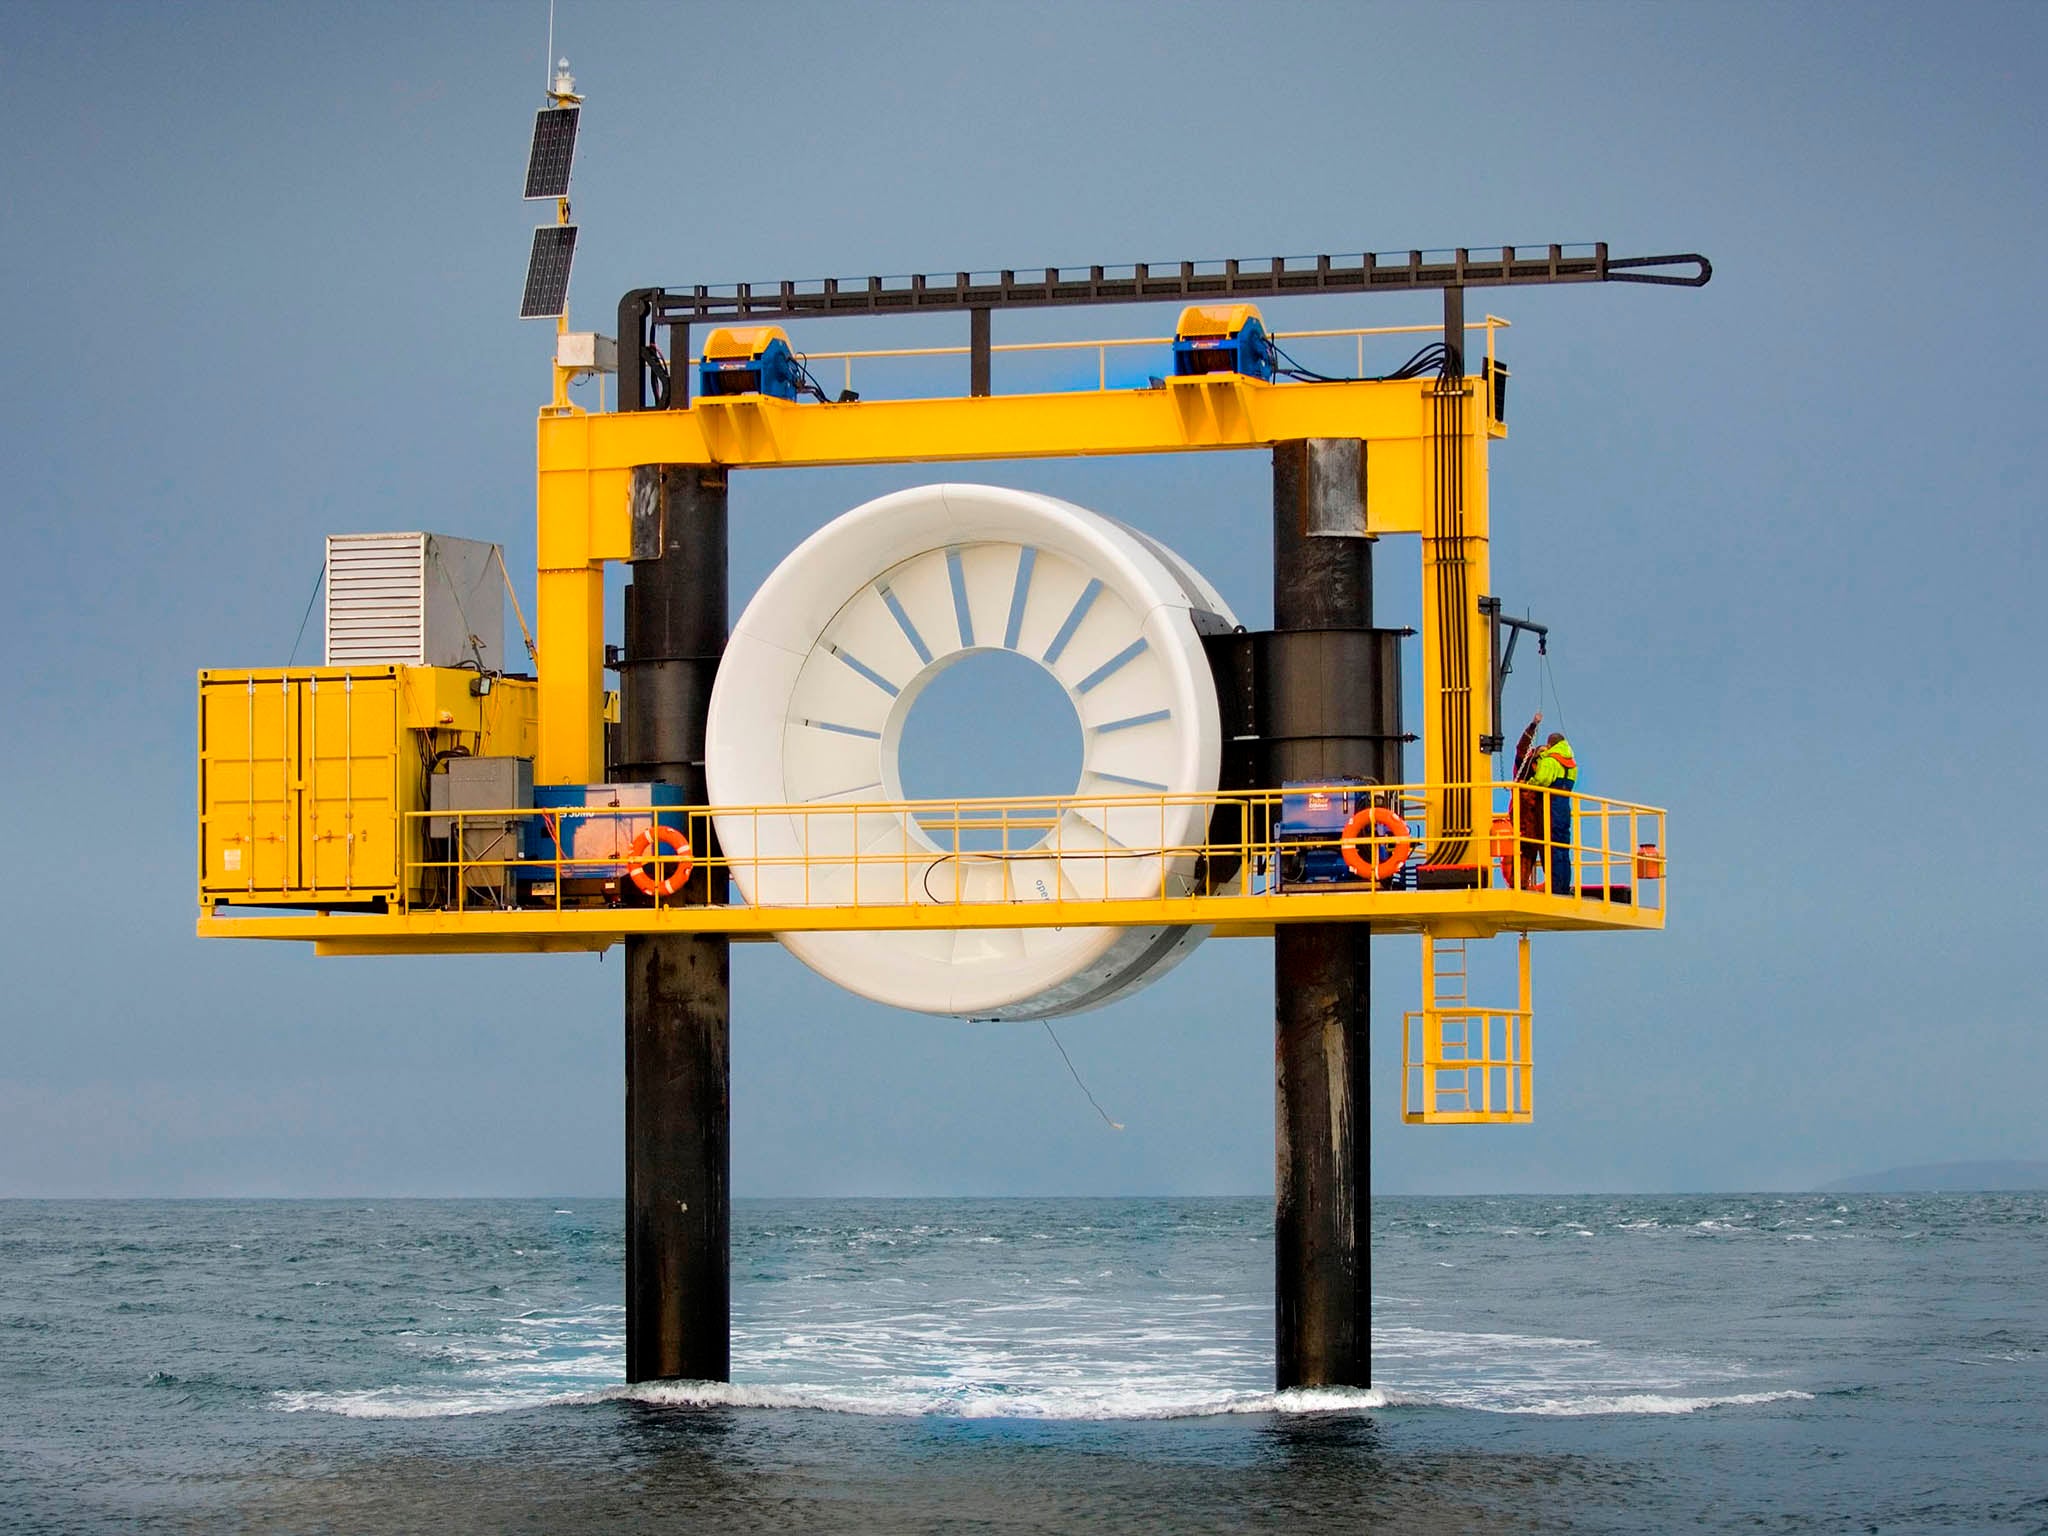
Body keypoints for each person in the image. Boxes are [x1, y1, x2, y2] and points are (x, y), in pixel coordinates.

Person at [1529, 729, 1578, 897]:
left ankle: (1556, 887)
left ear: (1550, 745)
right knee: (1563, 847)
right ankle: (1563, 886)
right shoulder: (1571, 762)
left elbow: (1542, 780)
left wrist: (1529, 783)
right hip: (1564, 805)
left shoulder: (1550, 760)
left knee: (1552, 847)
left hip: (1551, 805)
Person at [1512, 712, 1546, 889]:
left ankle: (1554, 885)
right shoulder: (1524, 769)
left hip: (1539, 823)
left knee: (1547, 852)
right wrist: (1533, 726)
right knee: (1523, 855)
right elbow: (1522, 747)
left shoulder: (1545, 778)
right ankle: (1519, 885)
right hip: (1523, 822)